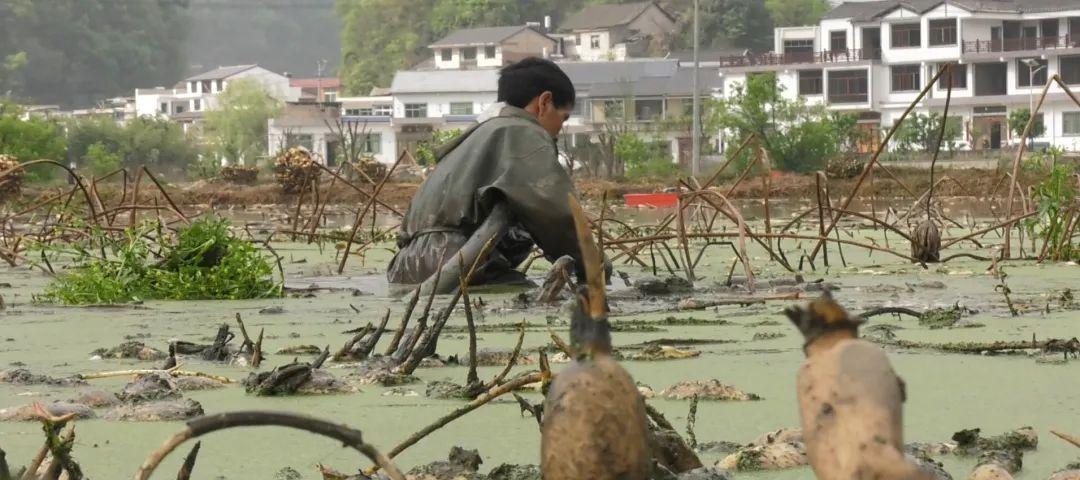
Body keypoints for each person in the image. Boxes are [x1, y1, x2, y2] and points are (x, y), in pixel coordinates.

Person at [387, 57, 584, 287]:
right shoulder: (523, 132)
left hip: (405, 266)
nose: (560, 130)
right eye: (563, 117)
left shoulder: (477, 134)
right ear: (544, 102)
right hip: (449, 259)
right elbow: (555, 214)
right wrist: (593, 265)